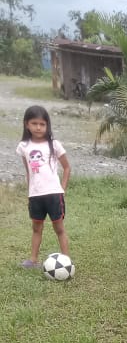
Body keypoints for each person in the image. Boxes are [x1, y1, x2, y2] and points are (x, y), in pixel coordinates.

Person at [16, 105, 71, 268]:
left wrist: (62, 189)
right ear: (26, 124)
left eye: (42, 124)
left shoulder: (54, 144)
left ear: (47, 125)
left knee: (59, 228)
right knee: (36, 228)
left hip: (54, 194)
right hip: (35, 196)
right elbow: (29, 172)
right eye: (34, 123)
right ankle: (33, 260)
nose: (38, 127)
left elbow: (67, 167)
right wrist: (30, 192)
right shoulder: (24, 146)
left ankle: (66, 261)